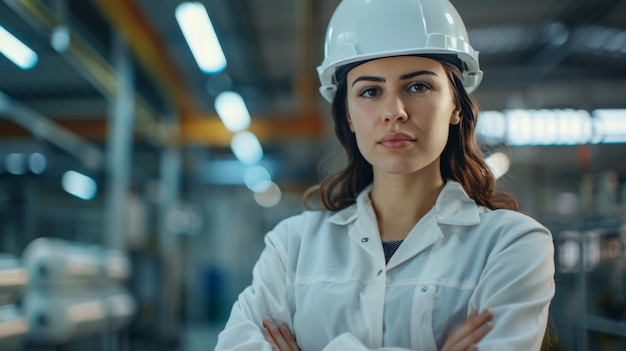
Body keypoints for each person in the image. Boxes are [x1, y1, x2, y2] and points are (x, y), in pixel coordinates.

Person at [215, 0, 555, 350]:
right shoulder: (292, 246)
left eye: (418, 86)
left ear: (456, 104)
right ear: (348, 115)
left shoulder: (511, 245)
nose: (394, 112)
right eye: (370, 92)